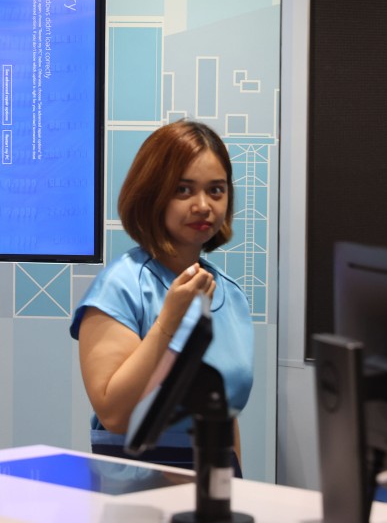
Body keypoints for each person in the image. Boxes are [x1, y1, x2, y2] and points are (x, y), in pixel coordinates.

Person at [70, 120, 254, 472]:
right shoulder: (120, 286)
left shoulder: (230, 293)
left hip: (210, 497)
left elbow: (225, 420)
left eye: (216, 190)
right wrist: (170, 320)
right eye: (184, 190)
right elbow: (115, 416)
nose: (203, 205)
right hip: (135, 498)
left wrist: (235, 494)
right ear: (153, 194)